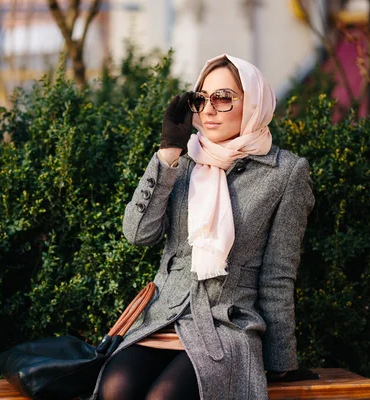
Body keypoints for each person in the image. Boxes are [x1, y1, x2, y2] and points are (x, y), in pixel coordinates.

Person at [92, 54, 318, 400]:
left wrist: (280, 361)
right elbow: (138, 234)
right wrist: (167, 154)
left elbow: (278, 274)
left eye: (223, 98)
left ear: (253, 103)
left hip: (226, 326)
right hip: (162, 318)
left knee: (163, 397)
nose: (208, 110)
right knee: (114, 388)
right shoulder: (183, 161)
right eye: (201, 99)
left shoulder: (285, 173)